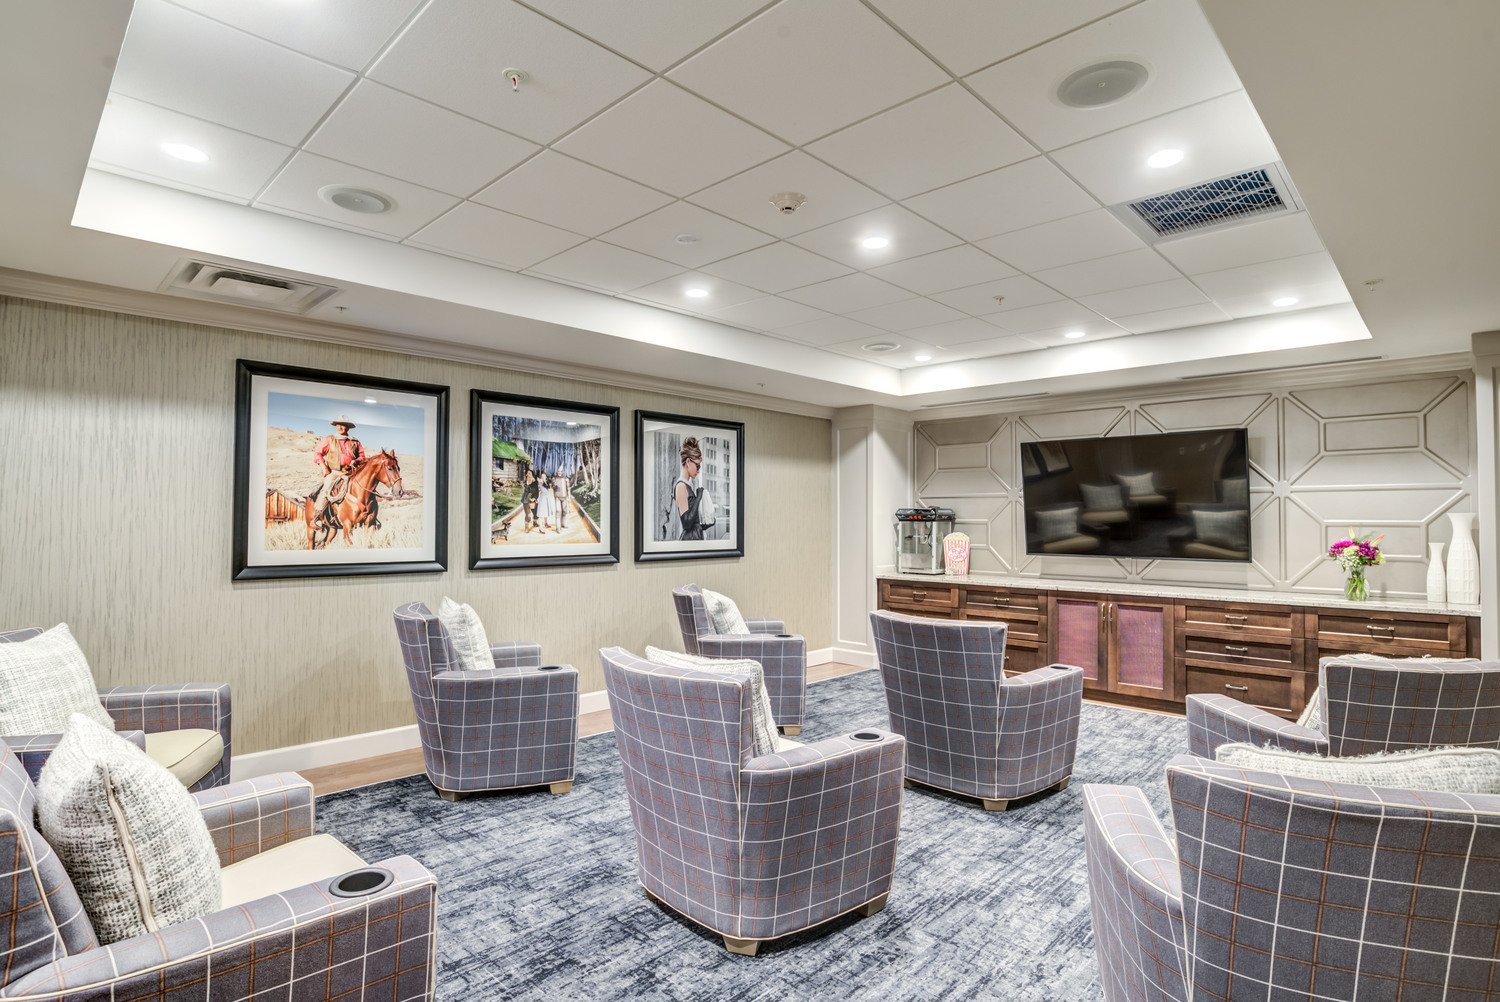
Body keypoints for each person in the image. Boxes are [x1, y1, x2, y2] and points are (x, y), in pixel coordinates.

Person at [312, 415, 365, 523]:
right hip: (335, 472)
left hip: (351, 472)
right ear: (336, 426)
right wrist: (323, 466)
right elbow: (318, 454)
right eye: (339, 425)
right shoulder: (329, 439)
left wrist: (356, 461)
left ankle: (368, 515)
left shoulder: (355, 441)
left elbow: (362, 456)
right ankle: (318, 515)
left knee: (364, 488)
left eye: (344, 425)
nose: (341, 427)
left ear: (348, 428)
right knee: (326, 489)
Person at [672, 437, 705, 541]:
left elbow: (694, 521)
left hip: (694, 538)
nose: (699, 471)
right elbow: (686, 523)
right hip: (689, 540)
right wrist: (698, 498)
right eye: (698, 466)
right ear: (688, 462)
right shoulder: (681, 486)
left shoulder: (687, 485)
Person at [536, 465, 557, 532]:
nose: (543, 477)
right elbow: (539, 488)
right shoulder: (540, 482)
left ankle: (545, 523)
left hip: (547, 498)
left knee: (546, 511)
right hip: (543, 499)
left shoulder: (546, 482)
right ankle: (540, 528)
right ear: (541, 477)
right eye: (542, 476)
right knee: (542, 513)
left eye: (544, 476)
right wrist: (540, 481)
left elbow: (548, 488)